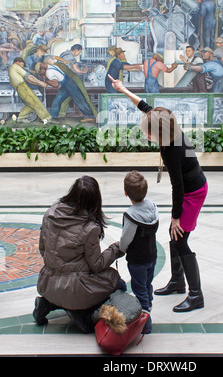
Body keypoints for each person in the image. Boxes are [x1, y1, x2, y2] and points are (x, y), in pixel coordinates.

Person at [107, 74, 208, 313]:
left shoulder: (173, 149)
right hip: (190, 188)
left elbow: (178, 187)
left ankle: (196, 294)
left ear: (158, 132)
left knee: (179, 237)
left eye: (148, 132)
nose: (146, 134)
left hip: (194, 192)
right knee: (175, 237)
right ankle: (176, 282)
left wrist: (175, 217)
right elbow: (144, 106)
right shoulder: (166, 124)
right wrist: (122, 89)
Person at [33, 176, 125, 333]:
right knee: (118, 283)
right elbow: (96, 265)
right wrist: (117, 248)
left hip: (47, 281)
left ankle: (48, 303)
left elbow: (43, 249)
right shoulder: (90, 227)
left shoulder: (50, 213)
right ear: (95, 200)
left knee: (73, 284)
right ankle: (80, 313)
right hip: (74, 287)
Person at [120, 171, 159, 333]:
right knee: (147, 285)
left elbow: (126, 239)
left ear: (126, 193)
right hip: (152, 255)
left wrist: (122, 249)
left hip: (137, 261)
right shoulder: (152, 207)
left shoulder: (131, 216)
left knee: (139, 289)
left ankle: (145, 324)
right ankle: (148, 303)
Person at [38, 56, 96, 123]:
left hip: (68, 84)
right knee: (57, 99)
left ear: (42, 70)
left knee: (79, 99)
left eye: (40, 73)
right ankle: (52, 116)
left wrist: (46, 81)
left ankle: (90, 116)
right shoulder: (51, 66)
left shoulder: (49, 73)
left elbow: (56, 85)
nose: (40, 74)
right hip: (66, 82)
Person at [8, 56, 51, 124]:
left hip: (22, 87)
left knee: (31, 103)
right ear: (18, 62)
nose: (22, 67)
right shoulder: (15, 66)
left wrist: (39, 83)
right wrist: (41, 83)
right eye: (22, 64)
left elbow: (29, 80)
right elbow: (29, 77)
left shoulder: (12, 69)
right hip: (22, 87)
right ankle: (46, 118)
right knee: (34, 103)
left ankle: (21, 118)